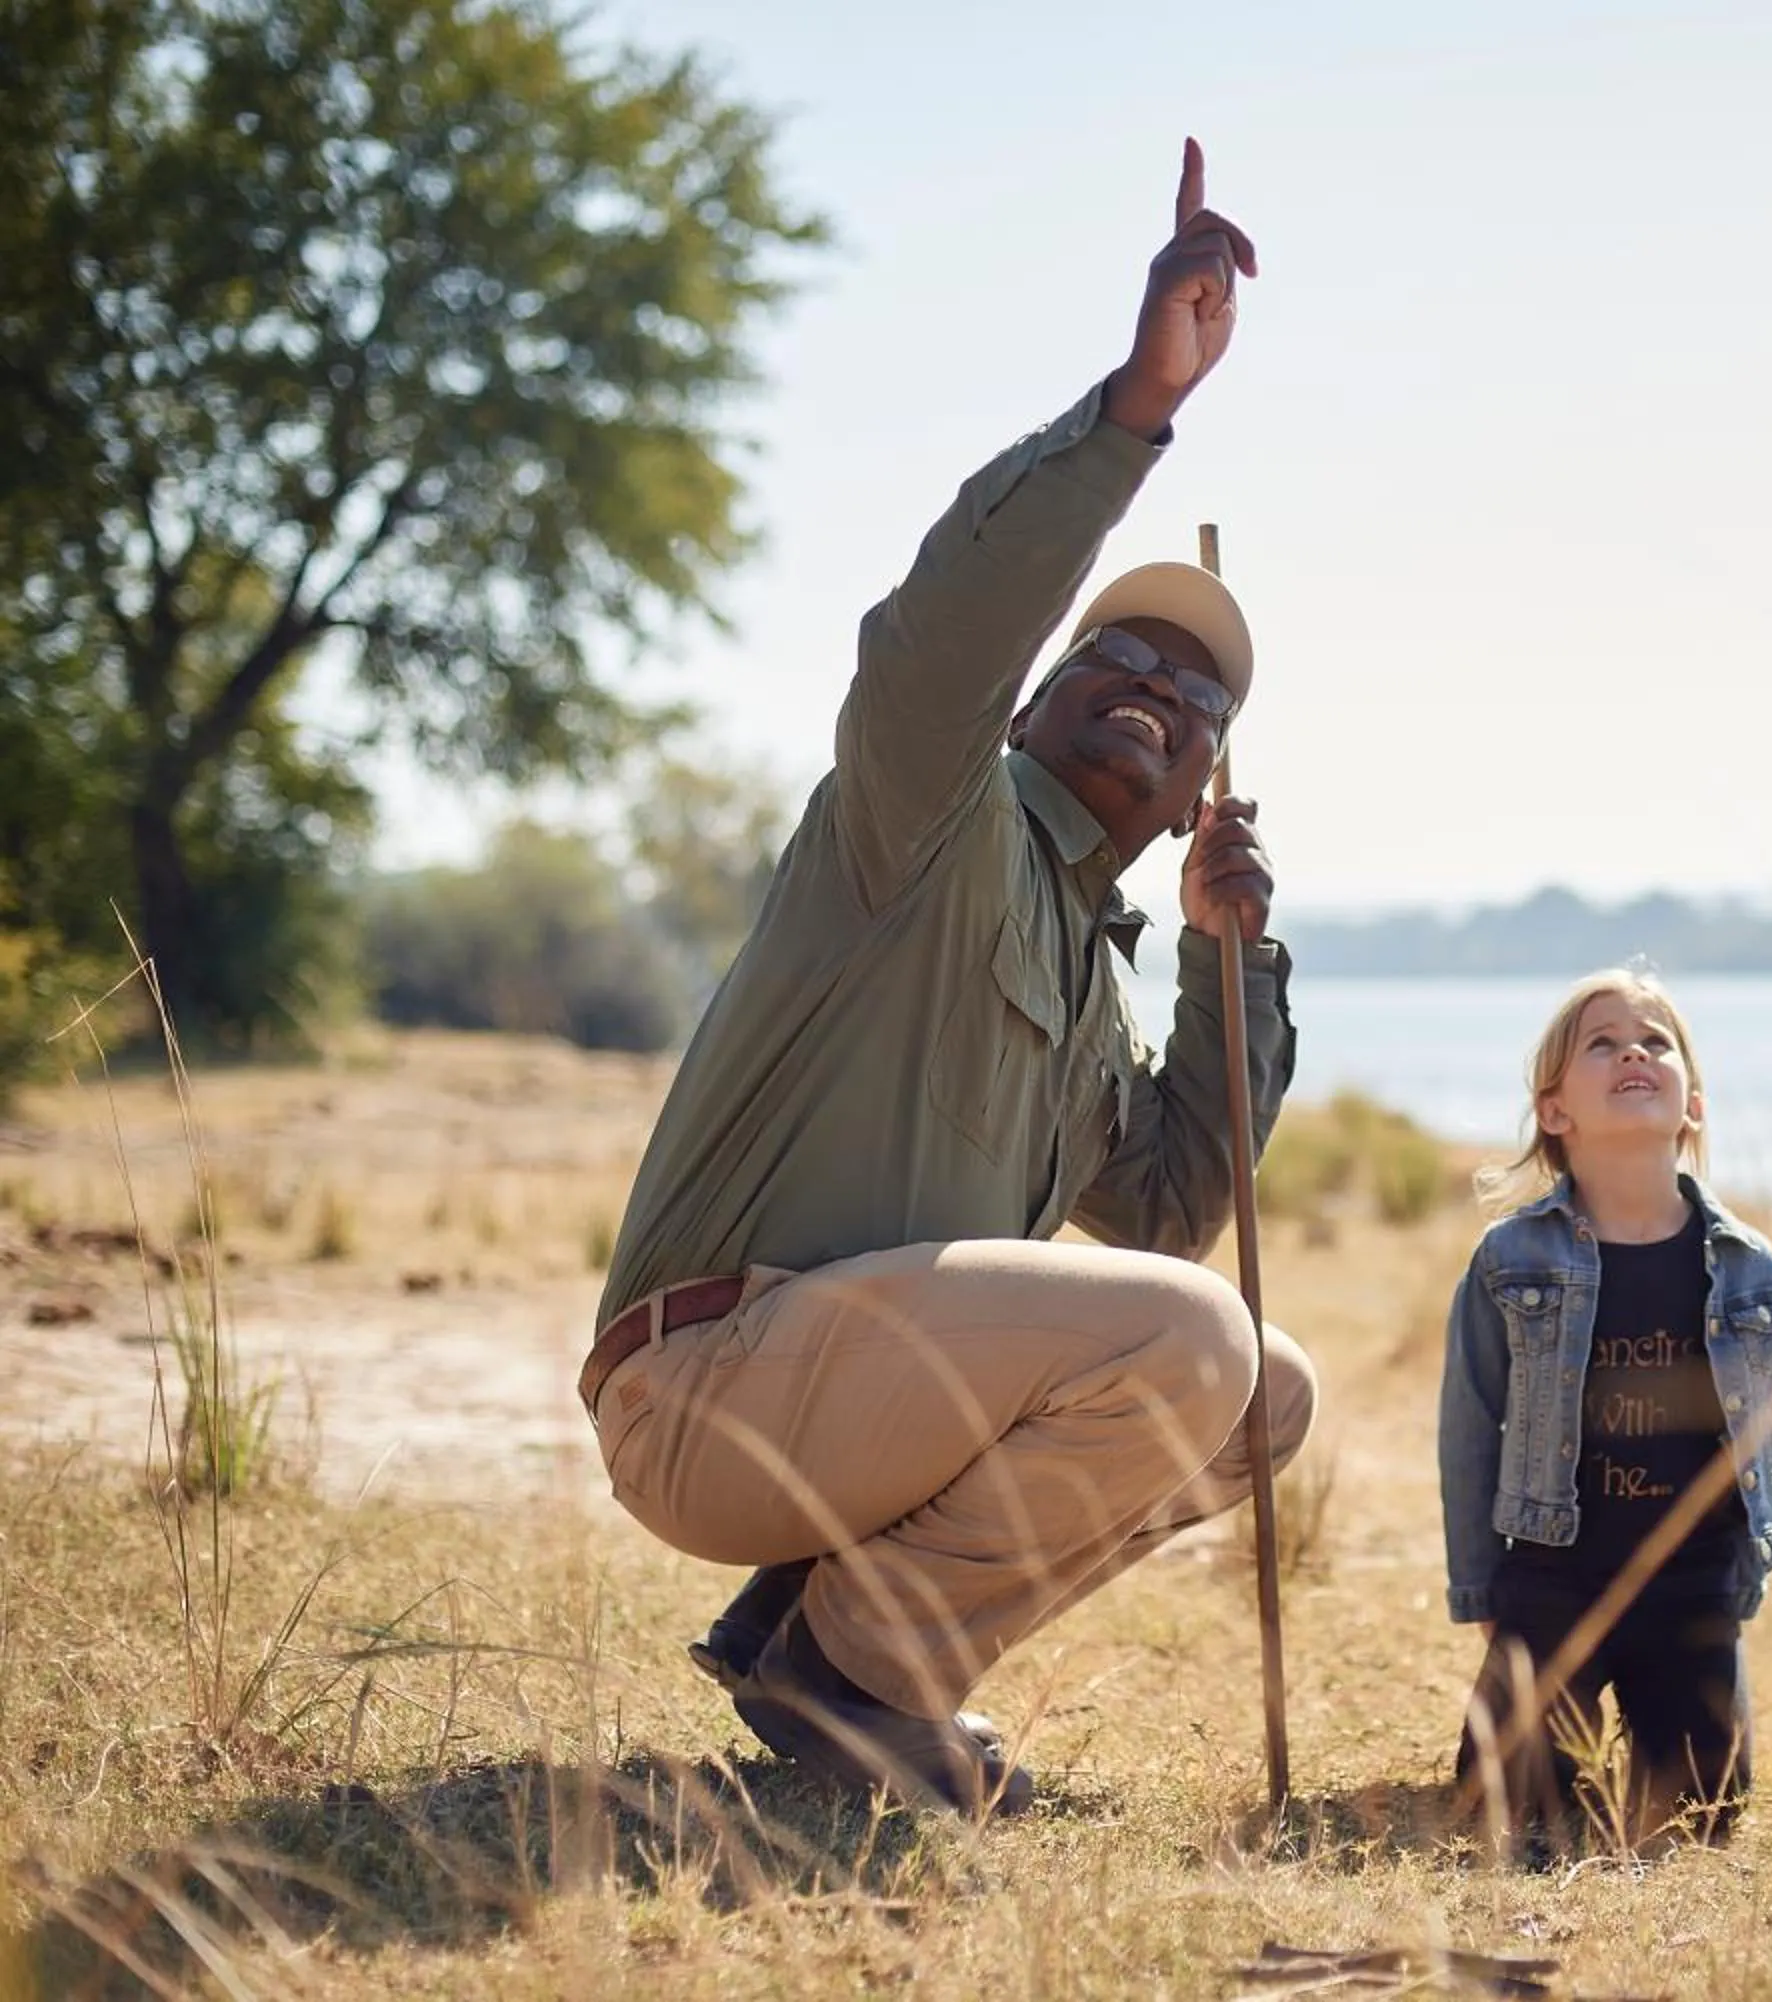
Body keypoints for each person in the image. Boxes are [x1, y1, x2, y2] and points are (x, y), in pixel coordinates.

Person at [579, 141, 1313, 1816]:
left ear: (1198, 794)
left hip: (848, 1422)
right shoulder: (928, 812)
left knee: (1260, 1389)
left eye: (1196, 698)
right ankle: (861, 1679)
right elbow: (942, 633)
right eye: (1119, 652)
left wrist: (1232, 966)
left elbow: (1167, 1215)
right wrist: (1137, 408)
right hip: (709, 1386)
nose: (1156, 682)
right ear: (1033, 699)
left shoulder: (1099, 973)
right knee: (1195, 1338)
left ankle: (822, 1637)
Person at [1439, 970, 1772, 1853]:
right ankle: (1561, 1735)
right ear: (1555, 1110)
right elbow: (1469, 1429)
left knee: (1701, 1816)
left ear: (1693, 1106)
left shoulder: (1754, 1269)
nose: (1633, 1052)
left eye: (1655, 1042)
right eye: (1601, 1044)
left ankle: (1666, 1713)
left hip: (1690, 1587)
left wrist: (1741, 1578)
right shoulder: (1510, 1259)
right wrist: (1485, 1590)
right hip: (1553, 1578)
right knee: (1506, 1805)